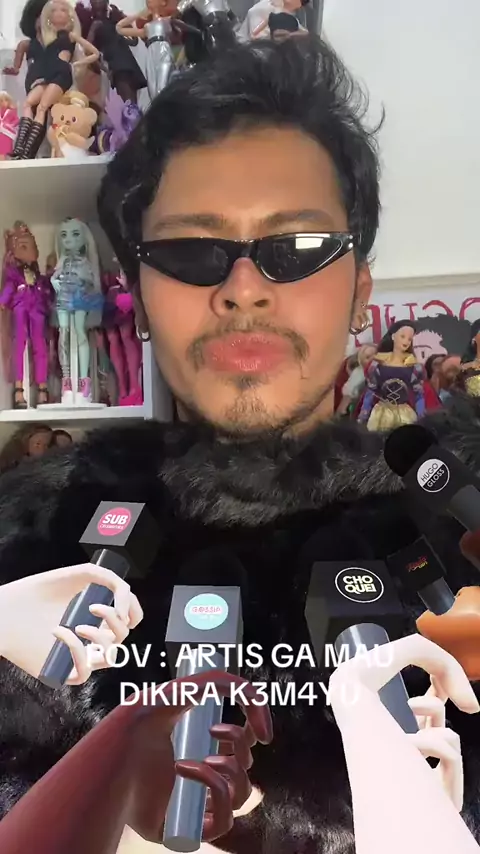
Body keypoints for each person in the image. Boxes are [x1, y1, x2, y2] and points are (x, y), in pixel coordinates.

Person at [0, 36, 480, 854]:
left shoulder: (452, 526)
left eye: (297, 249)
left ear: (360, 292)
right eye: (192, 252)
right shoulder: (31, 540)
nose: (244, 289)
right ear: (140, 296)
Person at [236, 0, 307, 41]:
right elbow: (255, 38)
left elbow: (305, 33)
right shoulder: (263, 8)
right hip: (249, 51)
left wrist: (290, 35)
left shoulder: (288, 15)